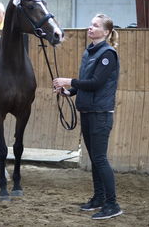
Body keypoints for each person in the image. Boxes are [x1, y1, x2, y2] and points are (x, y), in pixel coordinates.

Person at [53, 14, 122, 220]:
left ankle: (112, 203)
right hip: (88, 111)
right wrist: (68, 92)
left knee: (100, 159)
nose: (90, 28)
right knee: (94, 158)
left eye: (95, 25)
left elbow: (96, 83)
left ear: (107, 32)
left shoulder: (108, 54)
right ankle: (99, 198)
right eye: (90, 24)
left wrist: (68, 81)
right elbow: (85, 82)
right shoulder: (89, 52)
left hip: (100, 114)